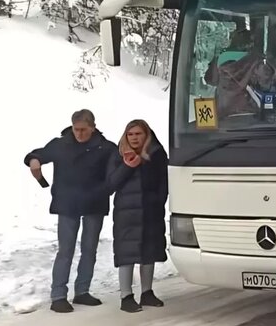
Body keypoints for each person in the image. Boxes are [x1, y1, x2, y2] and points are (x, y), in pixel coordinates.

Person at [24, 109, 116, 313]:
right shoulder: (61, 144)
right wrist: (34, 161)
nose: (80, 134)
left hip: (94, 203)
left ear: (93, 127)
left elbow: (115, 174)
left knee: (89, 249)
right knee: (65, 250)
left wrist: (104, 190)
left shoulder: (106, 147)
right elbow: (38, 154)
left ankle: (82, 291)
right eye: (76, 129)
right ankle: (58, 295)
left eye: (84, 130)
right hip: (67, 204)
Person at [106, 119, 169, 313]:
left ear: (146, 135)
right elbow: (110, 184)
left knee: (149, 251)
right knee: (127, 253)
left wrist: (158, 201)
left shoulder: (157, 154)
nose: (134, 138)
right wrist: (127, 165)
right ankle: (126, 295)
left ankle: (147, 292)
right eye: (130, 134)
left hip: (151, 210)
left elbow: (164, 182)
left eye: (138, 134)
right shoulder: (118, 155)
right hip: (127, 212)